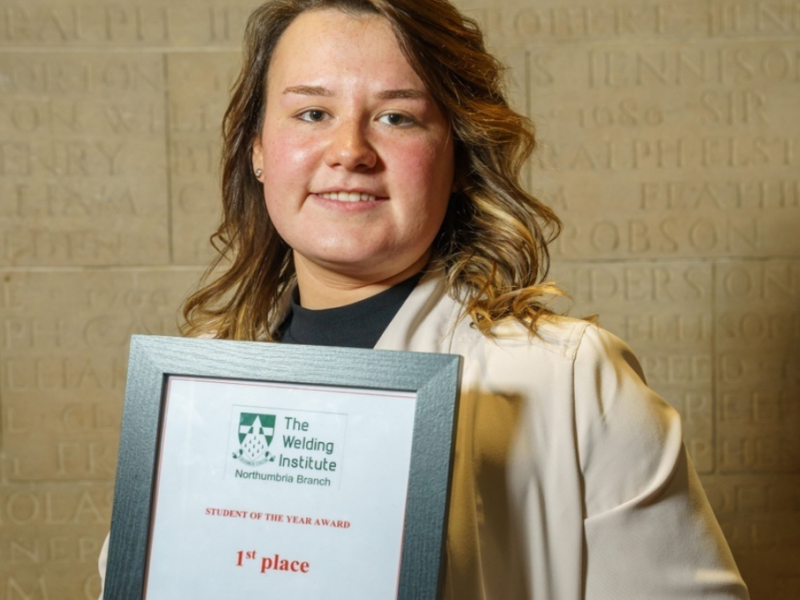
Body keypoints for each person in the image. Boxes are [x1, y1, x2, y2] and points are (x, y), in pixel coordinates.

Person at [99, 0, 750, 598]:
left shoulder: (577, 380)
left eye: (396, 116)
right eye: (312, 113)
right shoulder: (190, 392)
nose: (351, 151)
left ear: (458, 157)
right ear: (260, 150)